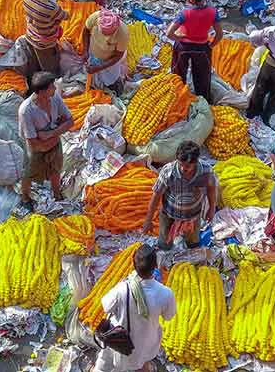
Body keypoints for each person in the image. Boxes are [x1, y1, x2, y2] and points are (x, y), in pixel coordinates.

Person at [93, 244, 176, 372]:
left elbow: (105, 306)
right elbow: (169, 316)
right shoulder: (165, 293)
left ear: (134, 265)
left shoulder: (123, 288)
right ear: (155, 267)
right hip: (148, 342)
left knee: (108, 362)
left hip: (122, 341)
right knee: (142, 363)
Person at [142, 141, 218, 250]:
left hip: (193, 215)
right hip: (169, 214)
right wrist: (148, 220)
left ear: (196, 162)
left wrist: (211, 208)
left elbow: (211, 188)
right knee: (164, 244)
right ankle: (165, 249)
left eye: (187, 166)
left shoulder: (206, 172)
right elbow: (156, 195)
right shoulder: (168, 172)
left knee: (193, 243)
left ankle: (191, 249)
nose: (183, 168)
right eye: (180, 164)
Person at [18, 71, 74, 209]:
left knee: (56, 169)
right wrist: (55, 136)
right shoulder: (26, 111)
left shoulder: (55, 98)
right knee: (28, 174)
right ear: (42, 91)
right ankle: (25, 198)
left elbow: (70, 121)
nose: (55, 89)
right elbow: (33, 143)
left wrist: (51, 134)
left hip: (51, 140)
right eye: (52, 87)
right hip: (34, 148)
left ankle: (57, 194)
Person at [165, 0, 223, 103]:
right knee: (202, 77)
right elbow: (219, 34)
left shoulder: (184, 13)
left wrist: (179, 38)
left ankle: (178, 98)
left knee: (178, 74)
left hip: (184, 48)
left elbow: (169, 33)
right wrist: (211, 45)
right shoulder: (212, 12)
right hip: (202, 47)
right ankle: (203, 100)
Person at [23, 0, 70, 80]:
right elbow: (66, 16)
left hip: (30, 36)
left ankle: (32, 80)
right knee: (50, 69)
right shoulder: (51, 7)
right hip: (44, 44)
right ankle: (48, 85)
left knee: (34, 64)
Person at [82, 9, 128, 92]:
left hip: (109, 60)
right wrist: (85, 51)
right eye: (103, 33)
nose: (105, 38)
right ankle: (92, 87)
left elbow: (118, 55)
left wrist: (100, 67)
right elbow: (85, 30)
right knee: (91, 74)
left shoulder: (123, 33)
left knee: (110, 79)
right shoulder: (95, 17)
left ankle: (114, 86)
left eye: (109, 34)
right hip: (93, 51)